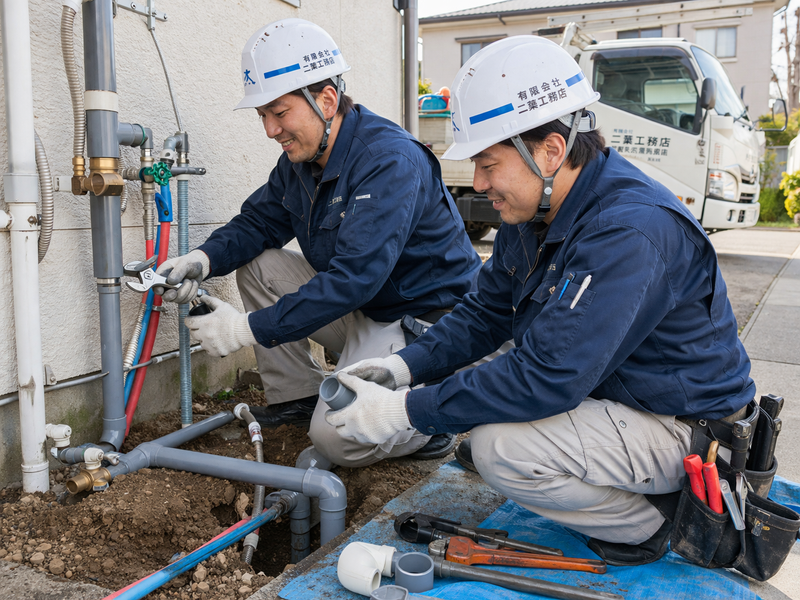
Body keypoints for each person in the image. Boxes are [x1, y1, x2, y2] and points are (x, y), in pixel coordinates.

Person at [325, 35, 755, 566]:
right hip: (625, 393)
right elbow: (484, 314)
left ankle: (656, 523)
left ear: (550, 151)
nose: (478, 182)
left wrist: (404, 412)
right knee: (488, 409)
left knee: (499, 448)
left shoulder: (628, 231)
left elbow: (548, 376)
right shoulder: (538, 210)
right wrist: (401, 367)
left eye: (488, 164)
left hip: (689, 430)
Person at [155, 18, 481, 467]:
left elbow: (353, 279)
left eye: (279, 112)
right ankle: (299, 396)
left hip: (421, 322)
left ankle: (427, 422)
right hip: (366, 306)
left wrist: (242, 330)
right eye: (262, 115)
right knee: (261, 265)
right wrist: (202, 259)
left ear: (326, 100)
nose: (270, 130)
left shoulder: (388, 160)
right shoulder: (302, 159)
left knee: (335, 439)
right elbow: (258, 223)